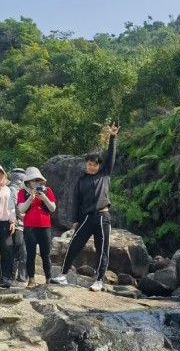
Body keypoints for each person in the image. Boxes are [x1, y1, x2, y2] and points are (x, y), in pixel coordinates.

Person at [51, 123, 119, 291]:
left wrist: (113, 136)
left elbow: (111, 156)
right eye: (89, 164)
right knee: (74, 245)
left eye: (95, 164)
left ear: (99, 166)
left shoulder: (105, 175)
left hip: (103, 217)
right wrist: (74, 220)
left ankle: (99, 280)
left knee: (102, 250)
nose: (92, 166)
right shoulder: (81, 180)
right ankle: (63, 275)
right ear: (86, 164)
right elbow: (75, 201)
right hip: (86, 218)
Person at [17, 167, 57, 288]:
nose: (36, 182)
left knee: (46, 253)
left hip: (45, 226)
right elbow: (21, 209)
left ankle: (49, 278)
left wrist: (44, 198)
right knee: (30, 254)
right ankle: (31, 279)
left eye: (38, 180)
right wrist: (30, 198)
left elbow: (53, 208)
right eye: (33, 180)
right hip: (29, 227)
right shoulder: (22, 193)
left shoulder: (47, 190)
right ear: (28, 182)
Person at [9, 168, 28, 283]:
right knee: (18, 253)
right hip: (17, 225)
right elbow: (18, 210)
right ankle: (12, 277)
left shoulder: (22, 191)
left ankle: (21, 277)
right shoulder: (13, 191)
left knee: (23, 253)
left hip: (23, 225)